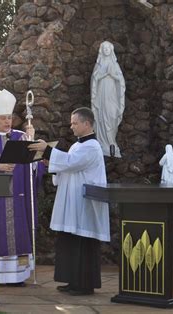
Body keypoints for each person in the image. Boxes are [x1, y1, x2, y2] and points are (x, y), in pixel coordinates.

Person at [29, 107, 110, 295]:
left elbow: (72, 162)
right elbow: (68, 165)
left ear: (87, 124)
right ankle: (73, 281)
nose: (71, 126)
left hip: (84, 204)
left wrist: (47, 150)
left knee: (82, 243)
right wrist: (52, 164)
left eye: (74, 123)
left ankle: (84, 284)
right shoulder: (78, 145)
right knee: (71, 241)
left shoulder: (92, 147)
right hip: (73, 202)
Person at [0, 88, 43, 285]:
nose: (8, 121)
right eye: (3, 118)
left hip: (19, 196)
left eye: (10, 117)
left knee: (19, 231)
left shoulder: (22, 137)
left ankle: (17, 276)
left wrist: (33, 144)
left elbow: (34, 167)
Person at [91, 41, 125, 158]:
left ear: (111, 50)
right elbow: (94, 80)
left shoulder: (115, 65)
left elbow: (121, 81)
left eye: (108, 48)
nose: (106, 50)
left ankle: (111, 142)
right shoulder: (99, 65)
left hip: (112, 95)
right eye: (104, 48)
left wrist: (112, 75)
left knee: (112, 116)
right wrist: (103, 74)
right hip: (101, 96)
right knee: (102, 117)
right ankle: (102, 143)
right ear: (101, 50)